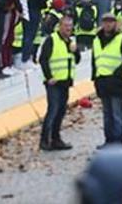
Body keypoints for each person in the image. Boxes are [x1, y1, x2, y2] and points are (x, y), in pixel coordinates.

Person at [92, 13, 122, 148]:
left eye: (110, 22)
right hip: (102, 81)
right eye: (105, 22)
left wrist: (118, 73)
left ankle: (118, 142)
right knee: (107, 114)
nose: (108, 24)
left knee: (117, 114)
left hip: (116, 82)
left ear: (115, 23)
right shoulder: (97, 40)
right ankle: (109, 141)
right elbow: (95, 60)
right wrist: (94, 77)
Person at [38, 15, 80, 151]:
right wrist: (49, 76)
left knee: (61, 111)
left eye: (70, 26)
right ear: (60, 26)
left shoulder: (71, 41)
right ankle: (45, 140)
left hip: (65, 81)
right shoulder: (52, 40)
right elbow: (43, 59)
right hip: (54, 83)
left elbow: (76, 60)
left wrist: (76, 51)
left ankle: (56, 139)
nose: (68, 28)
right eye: (66, 26)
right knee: (53, 110)